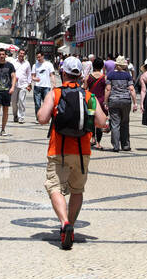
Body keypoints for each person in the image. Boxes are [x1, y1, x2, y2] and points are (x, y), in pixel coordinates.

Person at [37, 56, 109, 250]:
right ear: (80, 75)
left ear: (64, 73)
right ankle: (71, 224)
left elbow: (42, 118)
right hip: (82, 151)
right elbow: (102, 123)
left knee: (54, 187)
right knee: (77, 190)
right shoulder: (88, 96)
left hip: (58, 149)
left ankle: (64, 223)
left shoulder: (56, 93)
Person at [105, 56, 135, 152]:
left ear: (116, 65)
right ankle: (126, 145)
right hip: (126, 100)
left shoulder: (110, 75)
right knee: (125, 123)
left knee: (115, 124)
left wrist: (105, 101)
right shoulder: (127, 75)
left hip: (113, 100)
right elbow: (131, 89)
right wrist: (135, 103)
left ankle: (116, 146)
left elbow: (108, 89)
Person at [88, 56, 109, 150]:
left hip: (91, 101)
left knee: (91, 120)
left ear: (93, 65)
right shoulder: (105, 77)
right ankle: (98, 143)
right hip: (101, 101)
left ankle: (92, 138)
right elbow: (107, 89)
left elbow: (84, 89)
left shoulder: (88, 77)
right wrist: (106, 102)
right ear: (102, 66)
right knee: (101, 122)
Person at [31, 51, 55, 122]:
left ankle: (47, 118)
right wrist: (35, 79)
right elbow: (32, 76)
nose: (38, 59)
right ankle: (38, 118)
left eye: (39, 57)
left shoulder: (49, 64)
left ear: (42, 56)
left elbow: (52, 75)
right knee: (37, 104)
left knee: (47, 104)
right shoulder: (35, 65)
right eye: (37, 57)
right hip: (37, 86)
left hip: (46, 86)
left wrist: (54, 84)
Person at [10, 50, 32, 124]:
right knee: (14, 102)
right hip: (14, 85)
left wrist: (29, 84)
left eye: (23, 54)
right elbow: (10, 72)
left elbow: (29, 74)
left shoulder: (27, 63)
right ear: (18, 54)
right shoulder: (13, 62)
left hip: (23, 85)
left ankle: (21, 117)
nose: (22, 55)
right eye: (21, 53)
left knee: (21, 101)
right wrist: (12, 78)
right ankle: (15, 115)